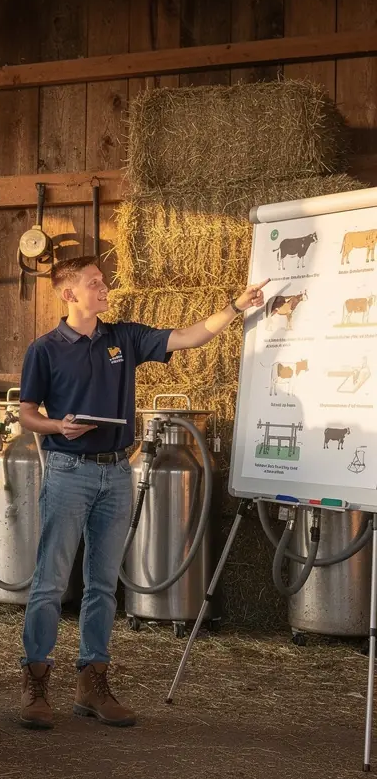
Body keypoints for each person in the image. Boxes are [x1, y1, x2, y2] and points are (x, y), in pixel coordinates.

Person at [16, 256, 267, 730]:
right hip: (68, 469)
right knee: (50, 579)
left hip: (116, 473)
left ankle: (92, 682)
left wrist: (236, 306)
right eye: (94, 284)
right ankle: (36, 681)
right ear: (68, 294)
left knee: (103, 584)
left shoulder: (123, 338)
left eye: (104, 282)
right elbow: (26, 413)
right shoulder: (44, 349)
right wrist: (57, 426)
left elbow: (189, 337)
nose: (104, 289)